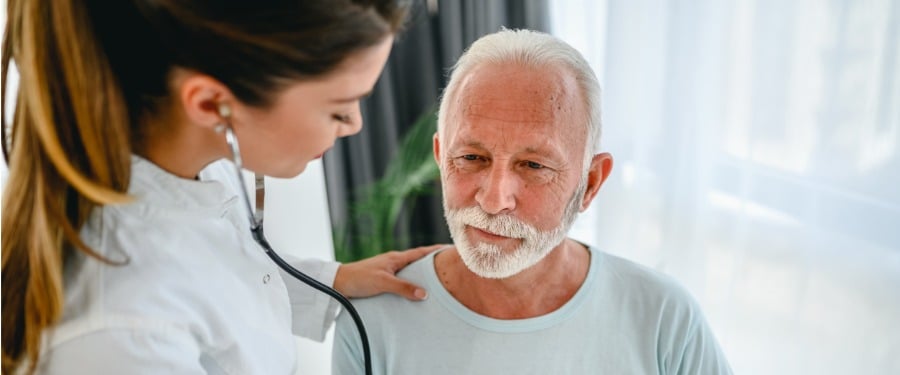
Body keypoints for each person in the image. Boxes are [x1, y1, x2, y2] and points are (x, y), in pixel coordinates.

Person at [0, 0, 443, 373]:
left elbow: (221, 265)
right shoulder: (125, 336)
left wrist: (336, 280)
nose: (355, 126)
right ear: (213, 104)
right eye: (339, 109)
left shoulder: (193, 158)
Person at [332, 28, 733, 374]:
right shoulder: (372, 316)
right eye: (471, 158)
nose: (493, 200)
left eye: (533, 165)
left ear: (591, 183)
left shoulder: (664, 318)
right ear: (441, 158)